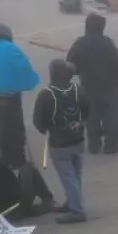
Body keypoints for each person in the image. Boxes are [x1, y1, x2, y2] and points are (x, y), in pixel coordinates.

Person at [33, 60, 89, 223]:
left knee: (68, 177)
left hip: (59, 142)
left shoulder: (46, 94)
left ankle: (77, 210)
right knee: (75, 174)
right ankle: (73, 201)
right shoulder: (78, 89)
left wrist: (45, 129)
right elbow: (87, 110)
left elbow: (38, 120)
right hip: (78, 138)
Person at [66, 14, 118, 155]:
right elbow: (117, 63)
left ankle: (94, 144)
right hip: (109, 85)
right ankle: (111, 145)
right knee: (111, 116)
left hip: (88, 85)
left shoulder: (79, 43)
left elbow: (70, 64)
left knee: (92, 116)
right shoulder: (107, 43)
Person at [0, 24, 39, 168]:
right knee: (16, 127)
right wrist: (31, 81)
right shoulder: (11, 49)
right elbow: (23, 67)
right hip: (11, 94)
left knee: (3, 126)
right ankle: (18, 160)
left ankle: (5, 157)